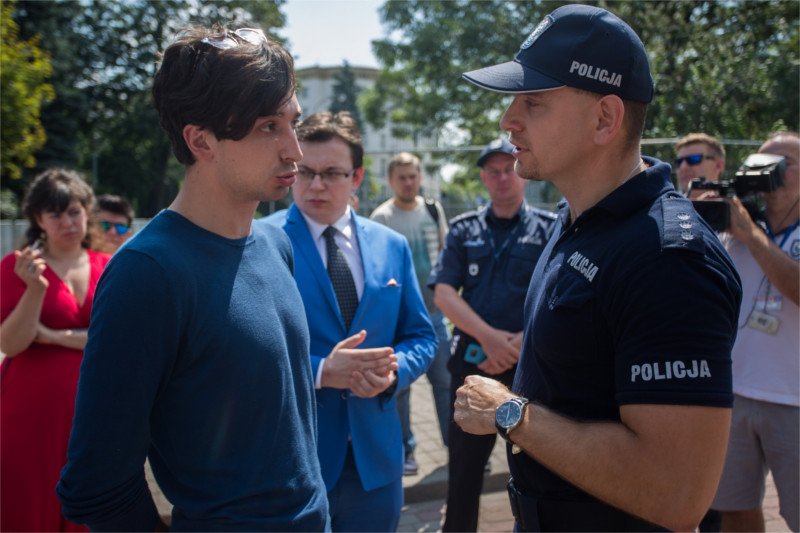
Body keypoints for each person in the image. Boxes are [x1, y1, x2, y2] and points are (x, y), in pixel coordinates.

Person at [453, 4, 743, 531]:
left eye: (533, 101)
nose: (507, 120)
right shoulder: (580, 219)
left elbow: (675, 493)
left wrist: (509, 413)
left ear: (605, 118)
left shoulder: (668, 259)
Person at [56, 26, 328, 530]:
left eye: (293, 120)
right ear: (200, 140)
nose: (295, 150)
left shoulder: (275, 243)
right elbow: (94, 487)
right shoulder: (148, 274)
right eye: (267, 127)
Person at [257, 111, 436, 532]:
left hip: (376, 460)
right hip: (294, 459)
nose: (316, 184)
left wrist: (392, 373)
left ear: (356, 178)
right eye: (306, 172)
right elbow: (245, 351)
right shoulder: (259, 241)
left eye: (332, 173)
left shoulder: (390, 245)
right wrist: (320, 371)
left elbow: (421, 336)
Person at [429, 138, 556, 531]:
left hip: (530, 369)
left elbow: (558, 293)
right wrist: (488, 338)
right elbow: (444, 292)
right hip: (474, 365)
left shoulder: (551, 229)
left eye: (509, 169)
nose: (502, 178)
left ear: (521, 174)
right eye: (493, 171)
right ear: (483, 178)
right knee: (464, 473)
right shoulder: (464, 230)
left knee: (541, 468)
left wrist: (518, 343)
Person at [1, 168, 111, 532]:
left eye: (74, 211)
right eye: (55, 213)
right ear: (38, 219)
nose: (67, 222)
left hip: (95, 410)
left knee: (90, 508)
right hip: (31, 413)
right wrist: (35, 290)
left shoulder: (110, 267)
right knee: (31, 506)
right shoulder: (16, 269)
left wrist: (53, 336)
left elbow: (113, 341)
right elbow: (11, 344)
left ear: (87, 212)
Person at [711, 131, 799, 532]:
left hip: (794, 400)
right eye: (761, 162)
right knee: (735, 508)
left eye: (781, 163)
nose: (767, 173)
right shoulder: (738, 227)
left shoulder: (748, 231)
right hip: (736, 394)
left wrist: (751, 234)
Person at [370, 151, 451, 475]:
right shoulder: (381, 218)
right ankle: (406, 451)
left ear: (420, 177)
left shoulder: (434, 209)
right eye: (401, 177)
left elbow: (444, 253)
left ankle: (455, 448)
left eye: (412, 176)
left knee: (445, 383)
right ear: (391, 180)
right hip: (399, 319)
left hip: (434, 315)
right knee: (400, 388)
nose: (408, 182)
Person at [675, 133, 727, 197]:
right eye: (679, 162)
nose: (683, 167)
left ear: (718, 166)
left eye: (694, 159)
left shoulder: (736, 205)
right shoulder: (665, 205)